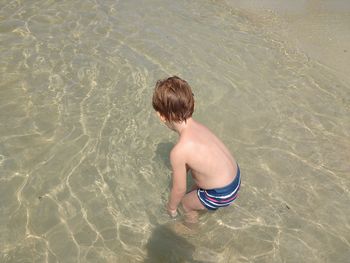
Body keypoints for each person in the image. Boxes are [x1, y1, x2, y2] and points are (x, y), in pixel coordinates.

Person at [152, 76, 241, 222]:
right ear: (194, 104)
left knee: (185, 203)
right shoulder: (200, 129)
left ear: (161, 116)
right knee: (195, 187)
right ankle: (203, 198)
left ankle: (190, 232)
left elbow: (179, 189)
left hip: (222, 193)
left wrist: (171, 208)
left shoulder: (179, 151)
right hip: (235, 178)